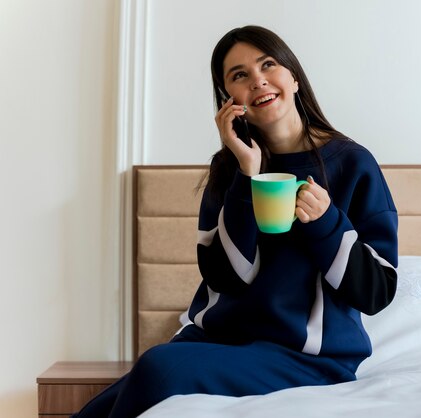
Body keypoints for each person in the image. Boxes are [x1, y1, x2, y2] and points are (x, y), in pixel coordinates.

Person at [73, 25, 398, 418]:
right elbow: (225, 279)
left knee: (157, 369)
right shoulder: (228, 167)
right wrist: (246, 173)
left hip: (308, 359)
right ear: (231, 99)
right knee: (96, 408)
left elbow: (378, 291)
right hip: (216, 342)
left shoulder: (352, 164)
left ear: (293, 77)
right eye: (239, 75)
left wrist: (326, 223)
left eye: (268, 64)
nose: (258, 79)